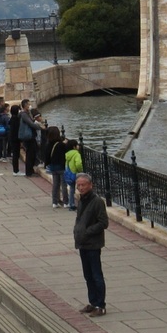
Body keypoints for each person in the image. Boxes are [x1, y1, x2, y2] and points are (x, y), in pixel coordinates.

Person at [72, 172, 109, 316]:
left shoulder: (97, 201)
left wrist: (87, 232)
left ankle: (100, 305)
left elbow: (103, 223)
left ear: (90, 185)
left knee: (96, 275)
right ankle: (93, 302)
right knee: (88, 275)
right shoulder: (82, 200)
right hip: (82, 243)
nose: (80, 188)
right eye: (78, 185)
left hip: (93, 244)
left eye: (83, 185)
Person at [44, 126, 66, 208]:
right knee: (63, 184)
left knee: (55, 185)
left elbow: (46, 156)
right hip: (61, 167)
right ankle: (66, 202)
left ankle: (55, 202)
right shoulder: (61, 145)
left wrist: (47, 164)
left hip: (53, 167)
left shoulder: (48, 144)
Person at [15, 101, 39, 176]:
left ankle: (31, 169)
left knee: (33, 152)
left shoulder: (27, 113)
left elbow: (32, 120)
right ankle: (29, 171)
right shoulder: (24, 115)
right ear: (25, 105)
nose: (30, 105)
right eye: (28, 104)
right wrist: (40, 127)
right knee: (30, 153)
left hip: (31, 136)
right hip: (28, 136)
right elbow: (31, 123)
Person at [63, 140, 84, 209]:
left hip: (69, 173)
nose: (78, 146)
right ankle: (81, 203)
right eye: (77, 145)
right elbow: (78, 164)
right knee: (82, 187)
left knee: (72, 189)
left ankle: (71, 203)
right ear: (74, 147)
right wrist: (80, 170)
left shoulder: (67, 154)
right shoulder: (76, 154)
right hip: (75, 173)